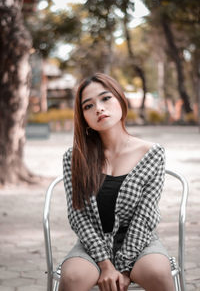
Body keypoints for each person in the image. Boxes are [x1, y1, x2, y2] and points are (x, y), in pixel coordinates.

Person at [59, 73, 175, 291]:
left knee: (158, 273)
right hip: (92, 243)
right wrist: (105, 264)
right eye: (88, 106)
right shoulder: (74, 157)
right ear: (83, 117)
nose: (99, 109)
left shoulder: (151, 153)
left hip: (140, 242)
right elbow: (78, 215)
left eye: (105, 98)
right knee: (73, 278)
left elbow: (146, 215)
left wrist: (122, 268)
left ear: (120, 99)